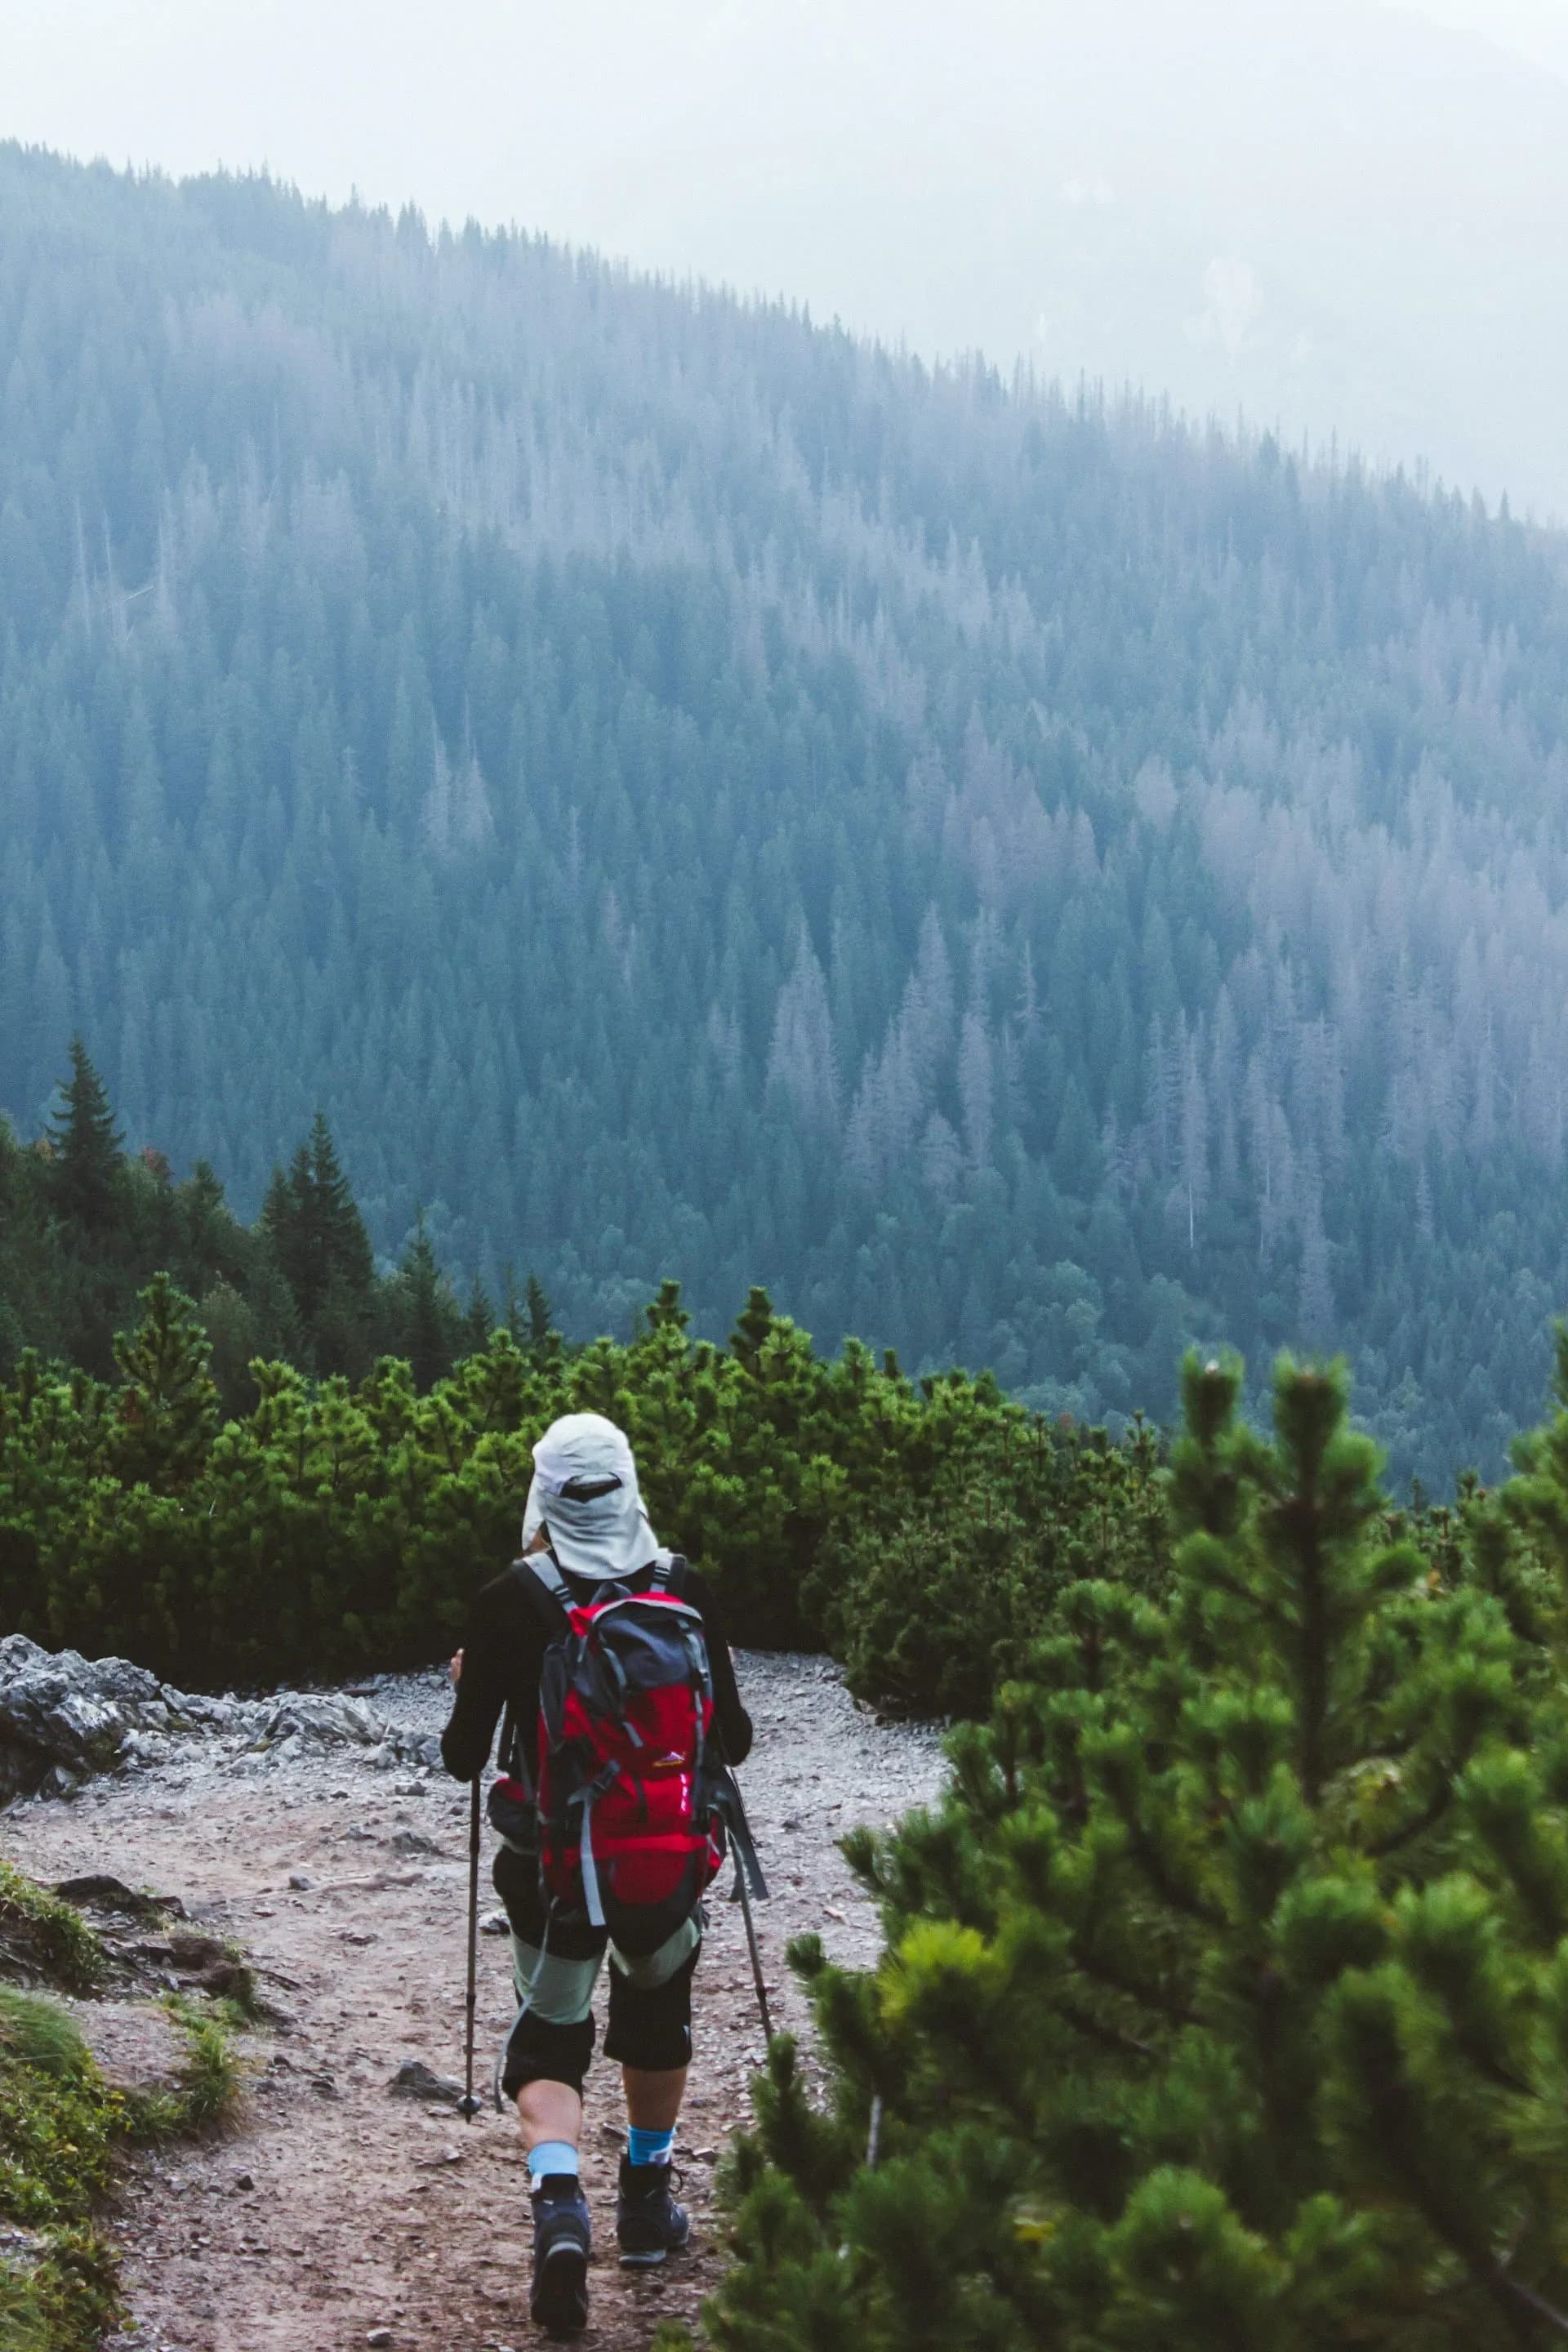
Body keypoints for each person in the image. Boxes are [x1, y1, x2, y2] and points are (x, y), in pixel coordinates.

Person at [442, 1410, 753, 2337]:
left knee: (551, 2035)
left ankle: (561, 2207)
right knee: (656, 2018)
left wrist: (472, 1686)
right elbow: (731, 1739)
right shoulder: (679, 1584)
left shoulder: (510, 1597)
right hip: (662, 1867)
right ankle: (648, 2206)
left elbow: (464, 1759)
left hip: (552, 1869)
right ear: (629, 1485)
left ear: (542, 1494)